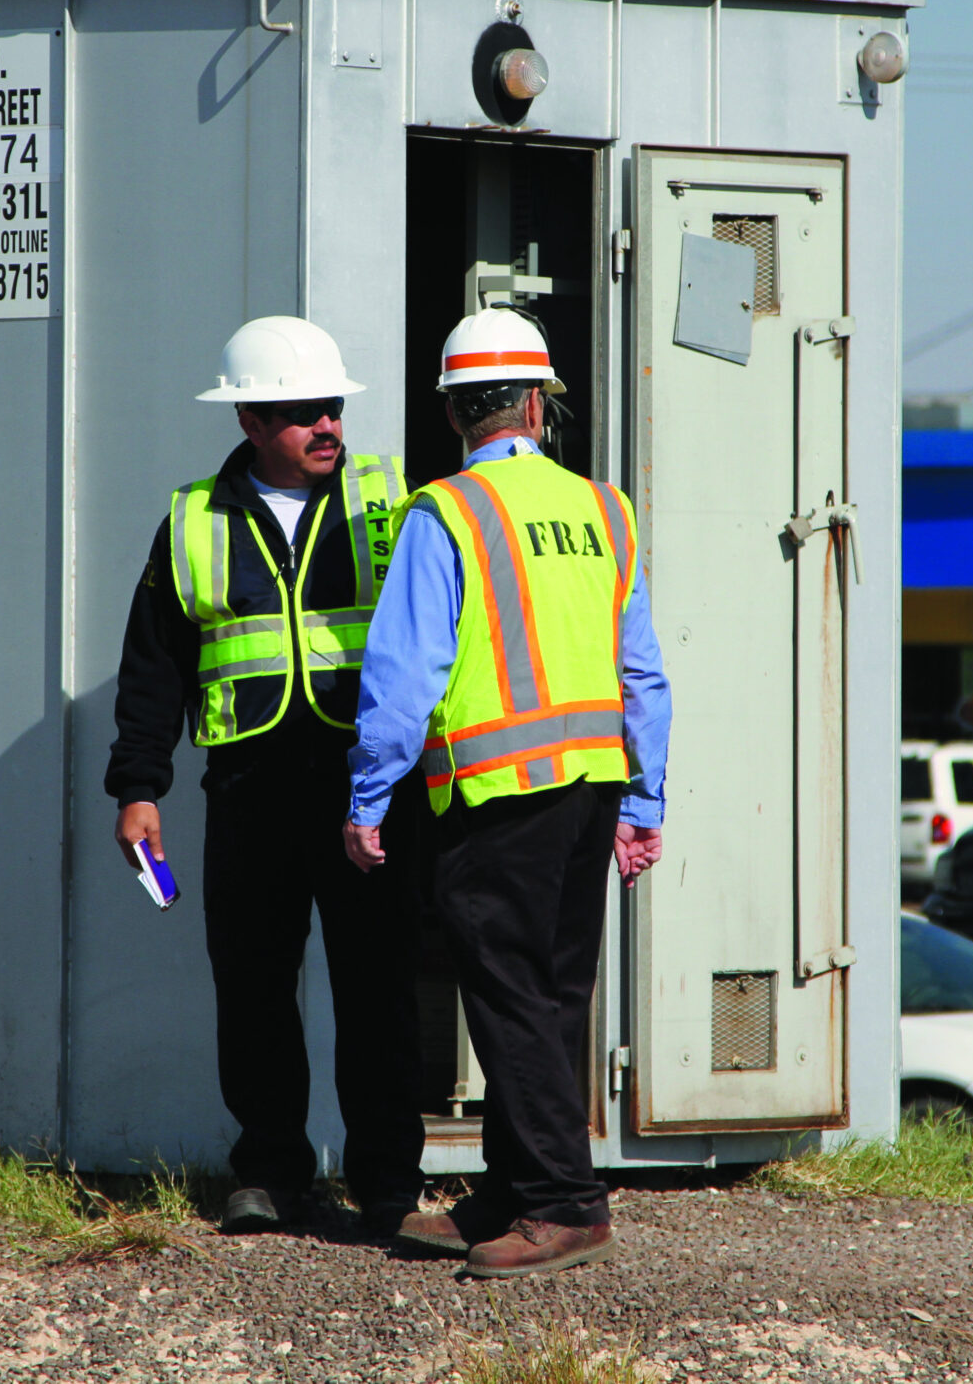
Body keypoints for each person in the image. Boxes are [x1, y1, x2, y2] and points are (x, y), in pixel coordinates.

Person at [346, 307, 670, 1281]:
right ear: (537, 404)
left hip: (497, 794)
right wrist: (644, 801)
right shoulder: (604, 510)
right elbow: (642, 672)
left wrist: (368, 798)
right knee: (554, 994)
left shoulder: (446, 512)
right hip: (592, 790)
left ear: (454, 412)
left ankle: (565, 1204)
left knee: (508, 996)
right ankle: (513, 1188)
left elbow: (403, 676)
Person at [104, 315, 423, 1237]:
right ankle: (272, 1172)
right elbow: (154, 666)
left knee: (378, 985)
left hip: (367, 789)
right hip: (249, 791)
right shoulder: (192, 521)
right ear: (248, 421)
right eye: (301, 412)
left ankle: (388, 1181)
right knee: (252, 985)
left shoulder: (390, 500)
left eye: (333, 407)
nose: (327, 425)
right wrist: (138, 788)